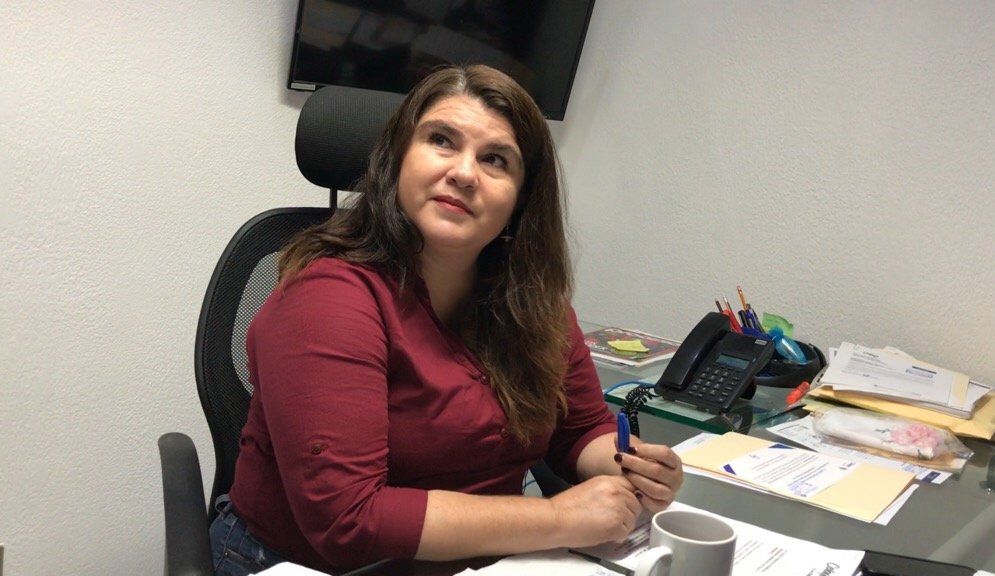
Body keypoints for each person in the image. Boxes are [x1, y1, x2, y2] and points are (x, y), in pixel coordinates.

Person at [210, 64, 684, 575]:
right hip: (306, 564)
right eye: (441, 140)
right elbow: (349, 520)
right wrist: (559, 517)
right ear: (397, 159)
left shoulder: (534, 302)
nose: (464, 173)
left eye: (495, 159)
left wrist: (632, 464)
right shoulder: (326, 299)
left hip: (481, 561)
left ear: (521, 198)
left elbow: (581, 427)